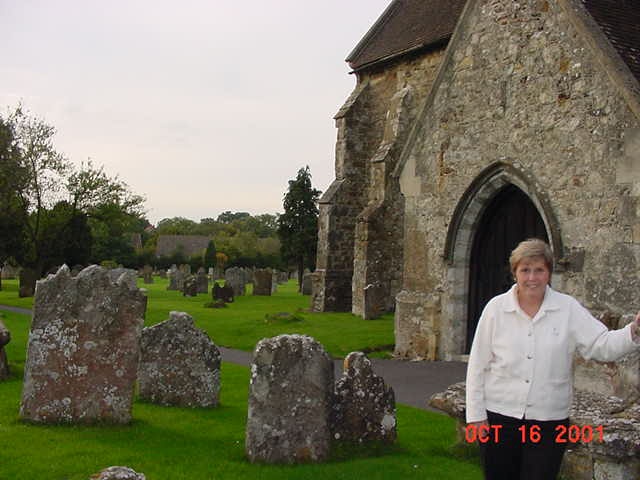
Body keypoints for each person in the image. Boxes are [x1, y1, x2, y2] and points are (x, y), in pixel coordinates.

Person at [465, 238, 640, 480]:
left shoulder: (567, 309)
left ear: (548, 273)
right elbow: (477, 366)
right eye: (525, 270)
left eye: (539, 270)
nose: (532, 278)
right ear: (515, 272)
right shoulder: (495, 309)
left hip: (549, 422)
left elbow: (601, 345)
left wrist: (633, 330)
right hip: (499, 419)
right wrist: (475, 417)